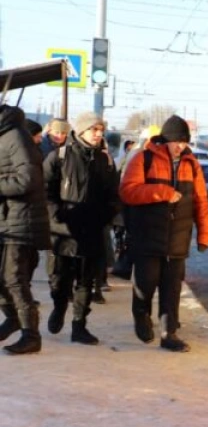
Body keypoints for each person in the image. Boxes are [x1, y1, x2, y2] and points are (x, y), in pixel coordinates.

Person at [118, 115, 208, 352]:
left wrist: (204, 235)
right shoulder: (144, 158)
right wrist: (161, 192)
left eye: (184, 141)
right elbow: (128, 192)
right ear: (166, 140)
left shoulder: (192, 164)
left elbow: (201, 201)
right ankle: (141, 316)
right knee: (145, 284)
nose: (181, 146)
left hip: (178, 238)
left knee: (172, 289)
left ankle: (169, 334)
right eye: (177, 141)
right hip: (147, 236)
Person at [43, 111, 120, 345]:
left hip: (92, 231)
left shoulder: (105, 161)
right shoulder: (59, 157)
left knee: (86, 282)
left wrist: (103, 217)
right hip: (64, 232)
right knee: (60, 280)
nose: (98, 134)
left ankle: (79, 325)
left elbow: (114, 196)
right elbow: (45, 191)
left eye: (101, 130)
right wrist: (57, 216)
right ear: (82, 130)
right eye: (94, 129)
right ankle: (58, 308)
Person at [0, 104, 52, 355]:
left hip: (22, 220)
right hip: (6, 220)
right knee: (3, 278)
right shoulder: (4, 135)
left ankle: (31, 335)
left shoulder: (15, 136)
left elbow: (28, 179)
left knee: (14, 278)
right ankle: (13, 318)